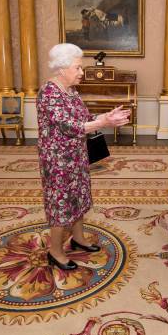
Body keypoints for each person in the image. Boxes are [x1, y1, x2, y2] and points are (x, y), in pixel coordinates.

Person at [37, 43, 130, 270]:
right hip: (58, 161)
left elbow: (85, 116)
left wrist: (105, 116)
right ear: (62, 68)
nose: (81, 72)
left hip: (77, 156)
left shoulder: (71, 91)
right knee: (61, 205)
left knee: (78, 197)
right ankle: (55, 252)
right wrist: (103, 122)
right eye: (77, 68)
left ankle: (78, 238)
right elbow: (69, 126)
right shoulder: (49, 92)